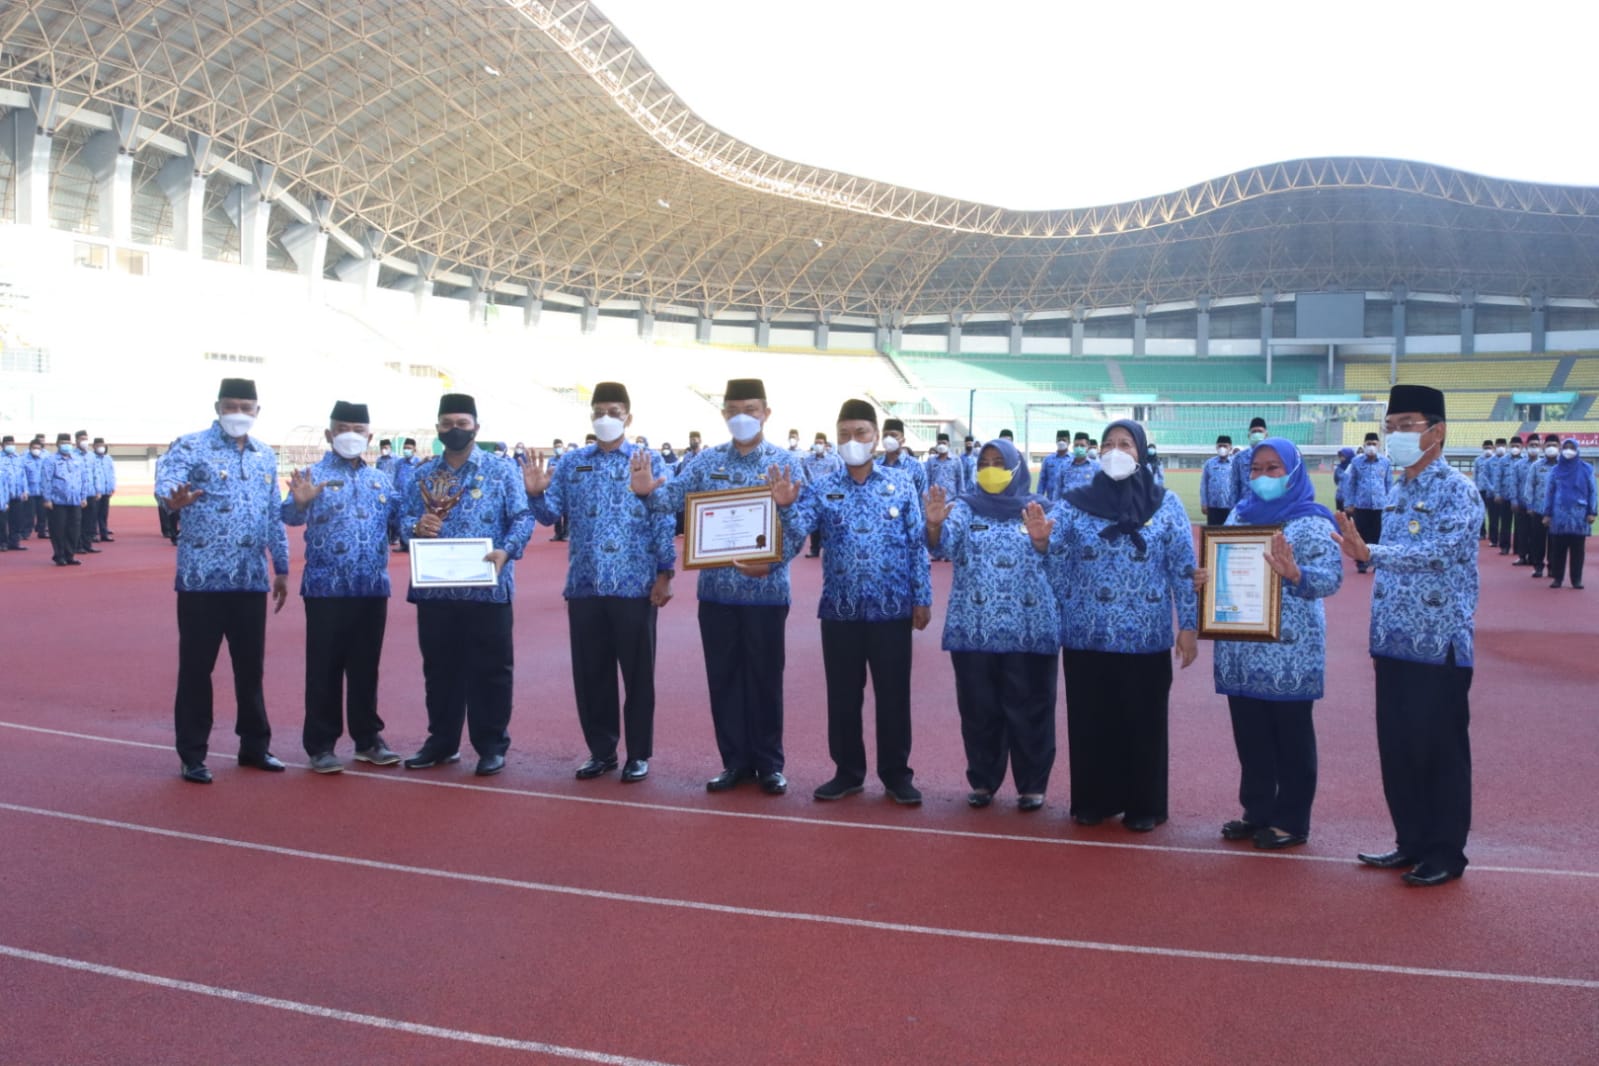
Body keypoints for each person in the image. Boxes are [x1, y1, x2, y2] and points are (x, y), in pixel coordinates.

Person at [1335, 385, 1481, 887]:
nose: (1396, 434)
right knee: (1398, 748)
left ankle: (1445, 852)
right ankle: (1411, 840)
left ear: (1437, 431)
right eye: (1390, 425)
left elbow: (1441, 553)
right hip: (1393, 643)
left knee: (1438, 751)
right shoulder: (1397, 490)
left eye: (1407, 424)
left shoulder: (1457, 490)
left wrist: (1371, 553)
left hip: (1437, 647)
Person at [630, 378, 805, 795]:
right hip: (717, 594)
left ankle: (769, 764)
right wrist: (645, 493)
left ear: (766, 412)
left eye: (751, 408)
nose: (742, 416)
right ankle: (734, 762)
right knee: (723, 678)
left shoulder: (786, 464)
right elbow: (670, 498)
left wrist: (774, 559)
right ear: (724, 414)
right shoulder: (707, 462)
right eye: (733, 409)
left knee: (765, 678)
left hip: (766, 593)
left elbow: (800, 528)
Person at [770, 399, 932, 805]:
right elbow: (797, 535)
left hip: (892, 609)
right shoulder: (823, 487)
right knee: (843, 696)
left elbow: (917, 545)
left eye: (860, 433)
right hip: (840, 611)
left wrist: (922, 598)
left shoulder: (901, 484)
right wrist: (786, 506)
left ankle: (897, 774)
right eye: (844, 435)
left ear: (876, 437)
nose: (851, 441)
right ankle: (847, 772)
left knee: (894, 696)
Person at [1048, 419, 1198, 831]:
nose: (1116, 450)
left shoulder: (1165, 504)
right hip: (1086, 633)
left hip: (1145, 636)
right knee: (1091, 721)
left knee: (1143, 721)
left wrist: (1188, 625)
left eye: (1126, 444)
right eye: (1108, 443)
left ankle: (1143, 805)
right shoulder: (1073, 503)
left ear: (1142, 452)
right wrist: (1044, 543)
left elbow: (1183, 568)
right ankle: (1094, 801)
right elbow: (1055, 560)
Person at [1194, 438, 1342, 849]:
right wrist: (1204, 580)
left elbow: (1331, 578)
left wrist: (1297, 573)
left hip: (1288, 650)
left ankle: (1291, 819)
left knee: (1291, 735)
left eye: (1273, 468)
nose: (1262, 477)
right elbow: (1219, 565)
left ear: (1293, 473)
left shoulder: (1312, 521)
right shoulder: (1239, 516)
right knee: (1251, 734)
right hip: (1241, 645)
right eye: (1255, 469)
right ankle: (1256, 810)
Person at [525, 382, 676, 783]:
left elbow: (663, 519)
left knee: (638, 674)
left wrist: (665, 573)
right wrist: (536, 494)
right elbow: (548, 514)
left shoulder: (649, 462)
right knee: (592, 674)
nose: (606, 418)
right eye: (599, 411)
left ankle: (638, 754)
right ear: (590, 415)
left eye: (614, 410)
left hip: (634, 585)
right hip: (586, 585)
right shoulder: (574, 463)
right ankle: (602, 750)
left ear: (629, 416)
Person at [154, 378, 292, 783]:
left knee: (250, 670)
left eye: (245, 407)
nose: (238, 413)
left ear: (256, 411)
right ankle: (193, 754)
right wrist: (170, 499)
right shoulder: (191, 445)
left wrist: (281, 568)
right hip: (201, 581)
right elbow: (168, 480)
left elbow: (273, 517)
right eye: (231, 405)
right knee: (197, 669)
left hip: (250, 581)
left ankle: (254, 746)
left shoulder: (265, 455)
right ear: (217, 406)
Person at [400, 393, 534, 777]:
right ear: (437, 427)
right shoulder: (422, 474)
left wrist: (507, 551)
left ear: (476, 425)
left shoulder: (500, 470)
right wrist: (415, 526)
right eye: (447, 424)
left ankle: (491, 745)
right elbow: (402, 518)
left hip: (487, 588)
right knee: (439, 669)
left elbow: (522, 518)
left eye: (462, 423)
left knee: (491, 670)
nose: (454, 430)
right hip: (435, 589)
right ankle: (442, 741)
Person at [925, 438, 1060, 811]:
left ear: (1016, 467)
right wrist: (934, 527)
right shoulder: (965, 508)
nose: (990, 468)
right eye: (984, 461)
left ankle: (1032, 784)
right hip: (974, 628)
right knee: (979, 709)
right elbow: (943, 547)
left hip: (1029, 629)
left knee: (1030, 708)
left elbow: (1061, 557)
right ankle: (983, 780)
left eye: (999, 461)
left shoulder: (1041, 509)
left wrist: (1043, 542)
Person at [281, 401, 402, 774]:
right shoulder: (311, 475)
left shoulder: (381, 479)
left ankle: (368, 740)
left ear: (369, 435)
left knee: (366, 668)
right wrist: (299, 505)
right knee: (324, 668)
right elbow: (289, 514)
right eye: (343, 428)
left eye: (359, 430)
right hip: (326, 589)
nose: (351, 435)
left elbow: (404, 522)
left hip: (371, 588)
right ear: (329, 434)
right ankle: (321, 745)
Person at [1543, 439, 1596, 590]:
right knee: (1558, 550)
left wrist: (1592, 512)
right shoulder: (1555, 470)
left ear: (1577, 450)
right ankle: (1557, 578)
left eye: (1571, 447)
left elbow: (1592, 492)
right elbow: (1549, 492)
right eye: (1565, 447)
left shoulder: (1587, 468)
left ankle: (1576, 579)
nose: (1568, 450)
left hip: (1579, 515)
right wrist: (1547, 513)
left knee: (1578, 551)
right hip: (1559, 514)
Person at [1343, 431, 1391, 575]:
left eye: (1374, 444)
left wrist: (1390, 503)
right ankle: (1362, 563)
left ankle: (1377, 562)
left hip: (1380, 505)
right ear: (1364, 445)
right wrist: (1349, 503)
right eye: (1368, 444)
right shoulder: (1356, 462)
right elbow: (1350, 484)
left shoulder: (1385, 462)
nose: (1371, 446)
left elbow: (1388, 484)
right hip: (1361, 505)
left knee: (1378, 535)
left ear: (1379, 445)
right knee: (1361, 535)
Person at [41, 433, 90, 567]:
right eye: (63, 442)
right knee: (58, 529)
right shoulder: (51, 460)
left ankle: (70, 555)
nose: (66, 445)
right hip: (58, 501)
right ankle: (59, 555)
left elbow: (84, 479)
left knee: (74, 529)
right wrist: (47, 499)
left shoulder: (77, 460)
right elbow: (46, 480)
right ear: (57, 444)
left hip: (75, 500)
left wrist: (83, 496)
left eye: (68, 442)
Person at [800, 431, 842, 557]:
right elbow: (803, 476)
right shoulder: (807, 461)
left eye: (821, 443)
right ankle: (814, 549)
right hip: (813, 495)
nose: (818, 445)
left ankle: (830, 548)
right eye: (816, 443)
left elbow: (838, 476)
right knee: (815, 523)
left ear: (825, 445)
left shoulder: (833, 460)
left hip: (829, 495)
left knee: (829, 522)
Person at [1524, 435, 1558, 578]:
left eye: (1554, 445)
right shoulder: (1536, 466)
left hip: (1556, 511)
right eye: (1549, 444)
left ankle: (1552, 567)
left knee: (1554, 541)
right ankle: (1538, 566)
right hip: (1538, 509)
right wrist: (1529, 505)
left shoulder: (1562, 466)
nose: (1551, 448)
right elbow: (1529, 486)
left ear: (1559, 447)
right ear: (1543, 447)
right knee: (1538, 540)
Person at [877, 418, 928, 496]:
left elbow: (923, 497)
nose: (888, 439)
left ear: (903, 440)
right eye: (885, 435)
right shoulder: (875, 466)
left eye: (893, 435)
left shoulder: (916, 466)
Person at [1199, 435, 1238, 525]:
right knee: (1212, 533)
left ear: (1230, 448)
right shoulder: (1209, 463)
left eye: (1225, 446)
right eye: (1220, 446)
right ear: (1216, 447)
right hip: (1213, 506)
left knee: (1229, 534)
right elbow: (1204, 484)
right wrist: (1204, 503)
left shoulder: (1235, 463)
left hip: (1230, 506)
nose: (1222, 448)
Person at [1053, 432, 1099, 500]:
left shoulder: (1096, 467)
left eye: (1082, 446)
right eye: (1076, 445)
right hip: (1066, 508)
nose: (1079, 448)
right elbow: (1058, 490)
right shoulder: (1064, 466)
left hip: (1087, 508)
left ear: (1088, 446)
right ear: (1073, 446)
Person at [1233, 417, 1268, 503]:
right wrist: (1233, 508)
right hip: (1245, 505)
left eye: (1260, 431)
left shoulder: (1274, 455)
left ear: (1266, 435)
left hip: (1267, 505)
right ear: (1249, 435)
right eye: (1254, 431)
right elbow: (1234, 485)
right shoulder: (1239, 457)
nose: (1257, 434)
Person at [91, 437, 115, 542]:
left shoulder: (108, 458)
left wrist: (112, 486)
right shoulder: (91, 457)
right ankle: (93, 534)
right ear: (94, 446)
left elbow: (111, 473)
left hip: (106, 490)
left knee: (104, 514)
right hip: (96, 490)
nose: (101, 447)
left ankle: (104, 533)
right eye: (99, 445)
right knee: (94, 514)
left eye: (103, 445)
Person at [1471, 439, 1494, 541]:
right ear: (1482, 448)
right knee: (1481, 512)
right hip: (1480, 489)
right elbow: (1475, 474)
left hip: (1492, 491)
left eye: (1489, 448)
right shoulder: (1478, 460)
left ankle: (1493, 534)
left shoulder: (1496, 460)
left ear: (1493, 448)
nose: (1487, 450)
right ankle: (1482, 532)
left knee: (1492, 513)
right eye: (1485, 448)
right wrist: (1474, 487)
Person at [1039, 431, 1071, 502]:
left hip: (1068, 502)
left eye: (1064, 440)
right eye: (1059, 440)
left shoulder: (1073, 460)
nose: (1061, 442)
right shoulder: (1048, 459)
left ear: (1069, 442)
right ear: (1056, 441)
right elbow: (1042, 480)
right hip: (1051, 501)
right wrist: (1039, 498)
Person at [1332, 446, 1356, 513]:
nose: (1341, 458)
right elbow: (1336, 480)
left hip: (1351, 499)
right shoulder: (1338, 469)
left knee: (1351, 520)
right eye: (1340, 456)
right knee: (1341, 518)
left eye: (1343, 456)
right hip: (1340, 497)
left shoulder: (1355, 467)